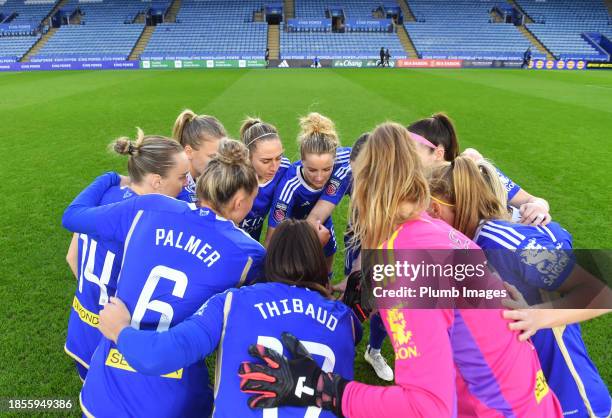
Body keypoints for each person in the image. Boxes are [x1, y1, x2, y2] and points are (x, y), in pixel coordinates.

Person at [239, 122, 563, 418]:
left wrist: (321, 389)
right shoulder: (431, 229)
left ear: (363, 190)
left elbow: (428, 408)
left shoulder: (403, 261)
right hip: (530, 404)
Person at [62, 139, 265, 418]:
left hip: (107, 386)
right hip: (172, 396)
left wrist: (110, 178)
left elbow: (73, 218)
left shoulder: (148, 207)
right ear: (241, 202)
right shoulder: (250, 254)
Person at [96, 219, 362, 417]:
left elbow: (160, 355)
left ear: (271, 260)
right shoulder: (346, 321)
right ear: (318, 262)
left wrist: (119, 328)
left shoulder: (232, 302)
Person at [427, 156, 612, 418]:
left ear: (445, 206)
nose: (428, 217)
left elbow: (602, 290)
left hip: (573, 397)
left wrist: (536, 316)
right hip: (535, 395)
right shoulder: (471, 243)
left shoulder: (496, 241)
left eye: (431, 209)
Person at [64, 130, 189, 381]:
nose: (187, 183)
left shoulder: (101, 198)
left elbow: (71, 257)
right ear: (156, 181)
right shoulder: (150, 224)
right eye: (183, 177)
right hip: (114, 338)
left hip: (83, 326)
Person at [407, 112, 552, 225]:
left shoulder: (474, 171)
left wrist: (539, 207)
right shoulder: (413, 181)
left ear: (438, 153)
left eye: (410, 149)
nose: (402, 155)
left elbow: (532, 199)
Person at [266, 112, 351, 273]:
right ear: (301, 161)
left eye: (327, 169)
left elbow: (372, 149)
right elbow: (272, 240)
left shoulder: (345, 157)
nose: (320, 177)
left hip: (322, 220)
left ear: (335, 159)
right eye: (312, 170)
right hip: (296, 227)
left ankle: (327, 280)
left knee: (329, 248)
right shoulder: (289, 187)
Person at [238, 117, 291, 241]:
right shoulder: (234, 177)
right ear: (248, 156)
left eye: (279, 157)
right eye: (266, 161)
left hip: (252, 240)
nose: (274, 167)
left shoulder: (284, 168)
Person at [172, 109, 227, 203]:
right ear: (189, 152)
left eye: (222, 155)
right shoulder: (181, 193)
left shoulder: (195, 179)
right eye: (213, 157)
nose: (221, 163)